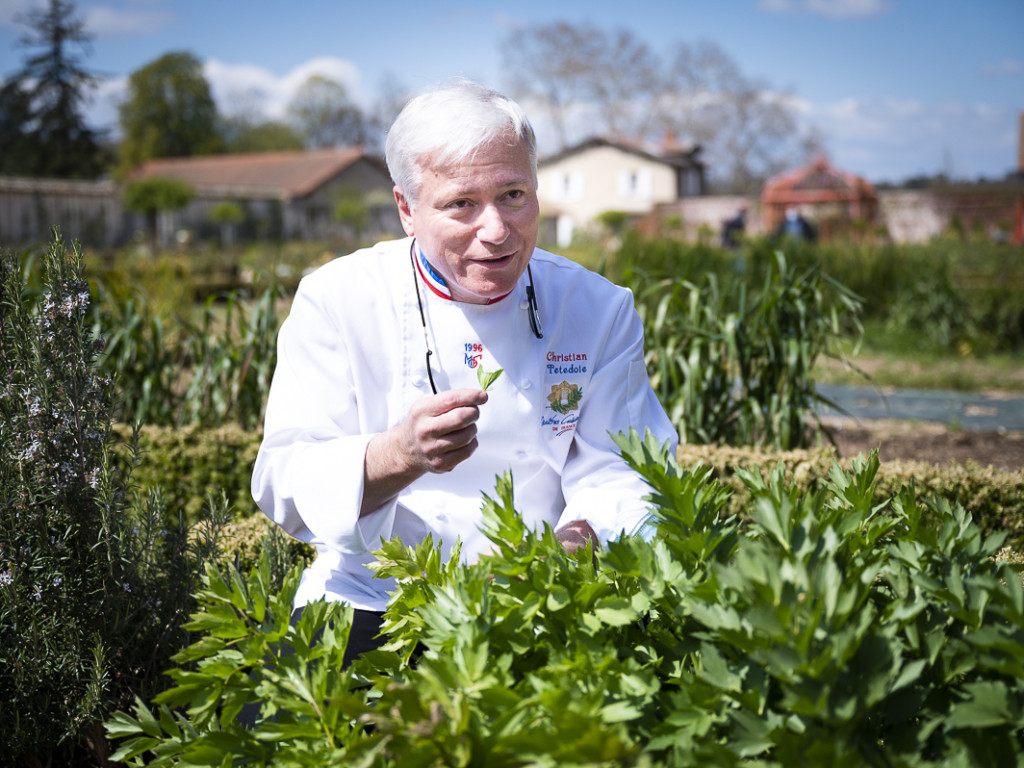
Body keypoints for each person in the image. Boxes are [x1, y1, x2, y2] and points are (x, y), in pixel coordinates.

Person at [251, 79, 678, 662]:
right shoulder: (338, 298)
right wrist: (399, 453)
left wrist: (571, 551)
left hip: (540, 593)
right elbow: (284, 479)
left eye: (513, 194)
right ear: (406, 209)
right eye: (461, 204)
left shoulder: (597, 308)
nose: (497, 230)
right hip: (371, 596)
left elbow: (627, 469)